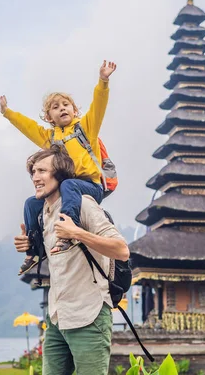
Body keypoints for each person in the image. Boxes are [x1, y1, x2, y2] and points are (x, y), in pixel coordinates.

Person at [13, 145, 129, 375]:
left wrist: (77, 233)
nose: (35, 177)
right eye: (33, 172)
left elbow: (122, 250)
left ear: (60, 175)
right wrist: (30, 247)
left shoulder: (84, 205)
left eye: (42, 171)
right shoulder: (43, 212)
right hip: (57, 317)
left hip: (89, 315)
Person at [0, 60, 117, 275]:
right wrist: (8, 113)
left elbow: (98, 106)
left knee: (69, 184)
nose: (62, 108)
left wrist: (103, 81)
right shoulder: (50, 138)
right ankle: (34, 251)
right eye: (55, 107)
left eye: (65, 105)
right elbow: (29, 127)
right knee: (31, 203)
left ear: (74, 110)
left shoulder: (85, 129)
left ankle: (67, 231)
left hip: (89, 185)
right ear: (49, 117)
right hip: (65, 189)